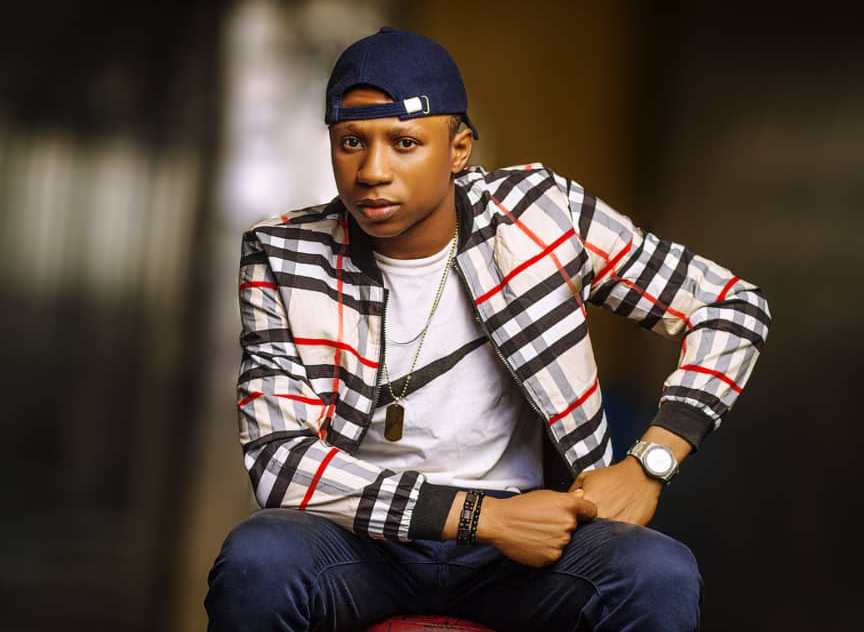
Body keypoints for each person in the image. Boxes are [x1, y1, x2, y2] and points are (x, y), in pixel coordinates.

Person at [205, 27, 770, 632]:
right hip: (360, 536)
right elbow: (280, 460)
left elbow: (730, 305)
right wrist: (481, 517)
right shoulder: (285, 254)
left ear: (458, 149)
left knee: (656, 572)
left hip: (530, 543)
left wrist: (650, 461)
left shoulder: (540, 215)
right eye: (351, 142)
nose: (372, 171)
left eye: (404, 142)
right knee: (259, 559)